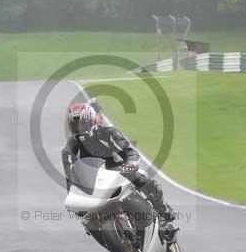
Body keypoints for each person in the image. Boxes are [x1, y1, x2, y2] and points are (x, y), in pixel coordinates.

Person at [61, 101, 178, 243]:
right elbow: (70, 176)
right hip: (97, 182)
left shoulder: (109, 132)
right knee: (86, 218)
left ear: (91, 121)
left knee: (143, 180)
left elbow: (130, 152)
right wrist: (73, 196)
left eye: (82, 124)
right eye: (75, 126)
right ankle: (109, 240)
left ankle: (164, 212)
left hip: (121, 171)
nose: (79, 129)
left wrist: (131, 163)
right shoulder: (69, 148)